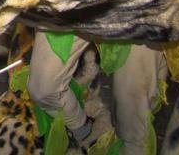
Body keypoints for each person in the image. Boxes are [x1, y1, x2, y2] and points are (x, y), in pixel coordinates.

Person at [27, 31, 166, 154]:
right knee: (43, 88)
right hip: (74, 9)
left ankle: (130, 146)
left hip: (142, 12)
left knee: (132, 109)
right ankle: (82, 128)